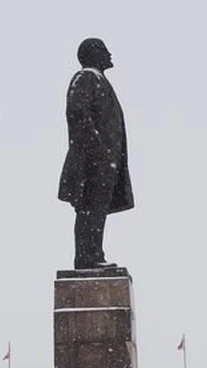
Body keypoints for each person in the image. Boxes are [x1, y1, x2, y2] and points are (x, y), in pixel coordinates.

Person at [58, 38, 134, 269]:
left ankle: (93, 254)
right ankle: (87, 257)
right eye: (104, 50)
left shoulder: (98, 80)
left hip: (103, 162)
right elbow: (78, 114)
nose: (110, 54)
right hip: (92, 162)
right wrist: (98, 149)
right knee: (90, 210)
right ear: (93, 55)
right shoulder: (86, 78)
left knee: (96, 211)